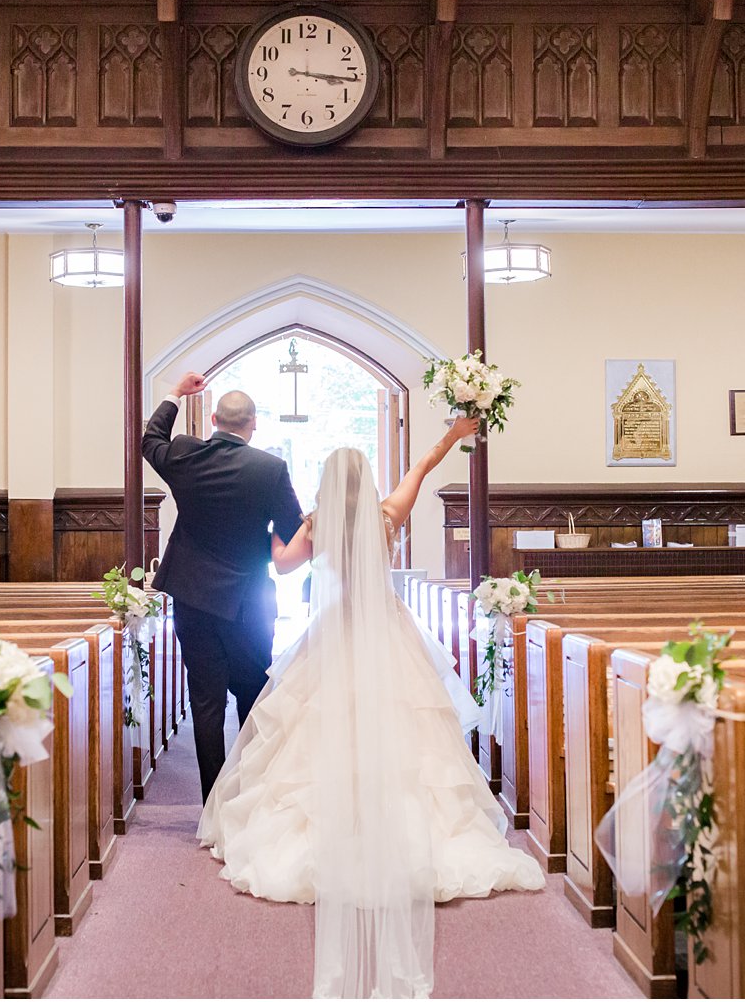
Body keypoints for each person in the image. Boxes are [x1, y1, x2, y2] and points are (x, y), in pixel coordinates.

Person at [198, 415, 544, 999]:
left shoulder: (317, 526)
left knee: (311, 733)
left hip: (332, 640)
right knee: (408, 736)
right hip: (388, 637)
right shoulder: (388, 516)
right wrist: (453, 436)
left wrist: (268, 532)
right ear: (366, 480)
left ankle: (336, 826)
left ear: (329, 486)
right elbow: (422, 468)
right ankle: (402, 832)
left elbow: (280, 565)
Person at [142, 372, 304, 801]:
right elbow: (291, 530)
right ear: (253, 425)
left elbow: (150, 438)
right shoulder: (270, 469)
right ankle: (249, 794)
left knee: (206, 699)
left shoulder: (184, 456)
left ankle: (212, 800)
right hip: (249, 600)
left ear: (213, 419)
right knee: (252, 691)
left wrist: (175, 394)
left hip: (192, 597)